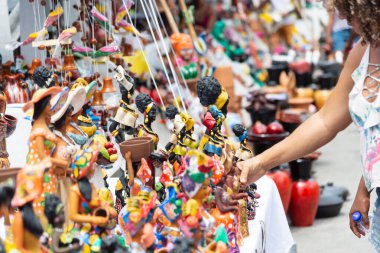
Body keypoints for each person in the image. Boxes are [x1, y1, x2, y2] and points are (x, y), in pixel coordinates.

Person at [237, 1, 380, 251]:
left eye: (351, 13)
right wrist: (260, 162)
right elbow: (326, 120)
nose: (346, 21)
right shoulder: (363, 51)